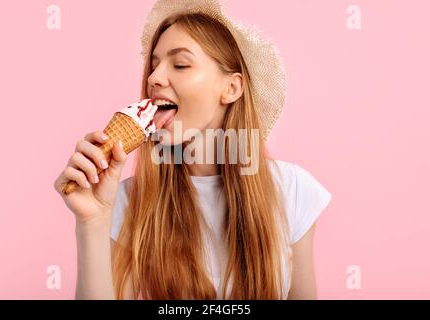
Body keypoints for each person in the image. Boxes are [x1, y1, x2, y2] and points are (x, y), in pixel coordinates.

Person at [54, 0, 332, 300]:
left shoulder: (292, 191)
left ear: (232, 88)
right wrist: (92, 222)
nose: (153, 78)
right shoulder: (126, 203)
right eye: (154, 64)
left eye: (180, 64)